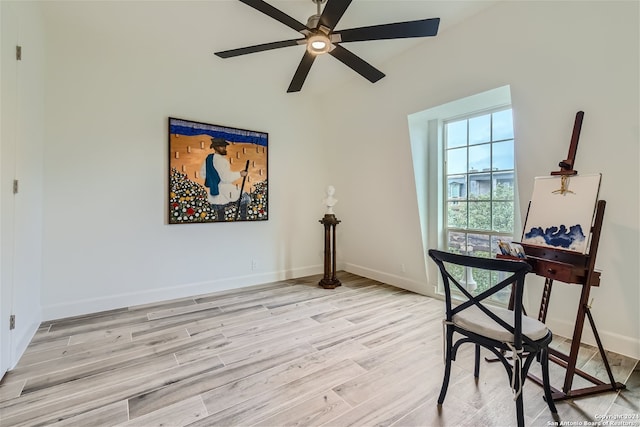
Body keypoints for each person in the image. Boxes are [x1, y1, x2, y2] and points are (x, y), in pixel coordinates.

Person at [201, 137, 248, 206]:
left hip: (213, 193)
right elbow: (226, 178)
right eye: (221, 146)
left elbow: (202, 174)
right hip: (224, 190)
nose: (224, 148)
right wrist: (240, 174)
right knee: (245, 198)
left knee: (220, 213)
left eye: (224, 146)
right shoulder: (221, 160)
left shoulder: (209, 158)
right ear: (215, 147)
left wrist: (212, 180)